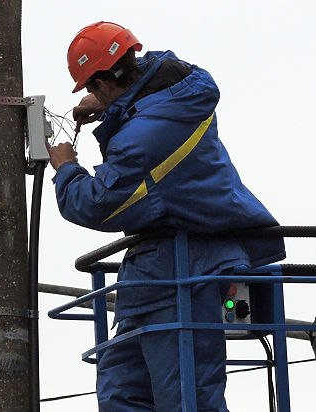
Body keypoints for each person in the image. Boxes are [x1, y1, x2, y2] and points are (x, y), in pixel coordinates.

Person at [47, 21, 285, 411]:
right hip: (155, 272)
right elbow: (148, 86)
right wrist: (113, 104)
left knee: (187, 399)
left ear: (103, 82)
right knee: (122, 394)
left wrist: (66, 166)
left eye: (92, 85)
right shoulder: (180, 88)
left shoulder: (141, 138)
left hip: (184, 268)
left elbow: (94, 202)